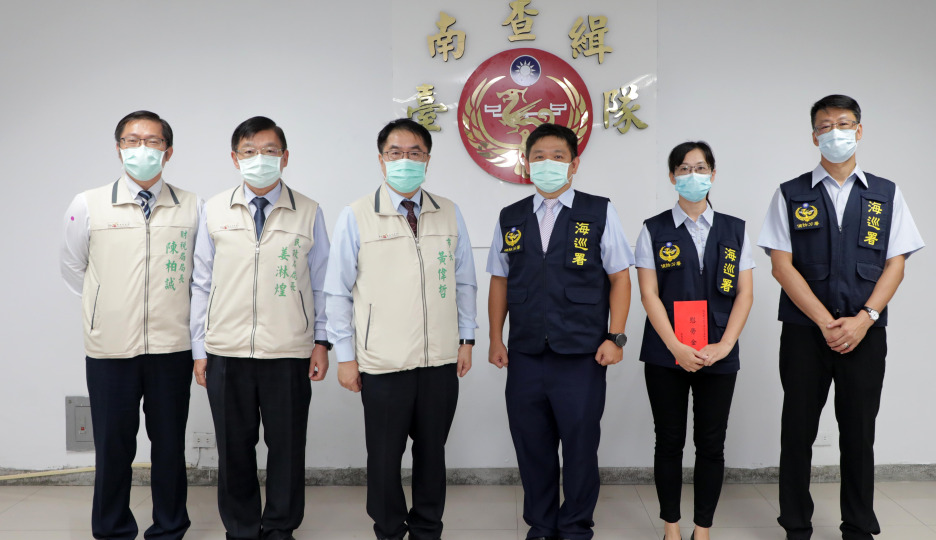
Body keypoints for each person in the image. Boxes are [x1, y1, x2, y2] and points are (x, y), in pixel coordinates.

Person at [758, 95, 924, 540]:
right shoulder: (790, 193)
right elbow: (781, 265)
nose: (835, 132)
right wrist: (823, 321)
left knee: (858, 433)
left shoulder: (886, 193)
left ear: (859, 130)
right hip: (804, 333)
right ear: (814, 136)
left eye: (844, 123)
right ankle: (796, 525)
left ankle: (858, 525)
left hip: (865, 333)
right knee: (797, 432)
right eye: (825, 126)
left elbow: (896, 264)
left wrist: (864, 319)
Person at [324, 118, 477, 540]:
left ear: (427, 160)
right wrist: (345, 357)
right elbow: (337, 291)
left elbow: (464, 280)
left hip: (440, 359)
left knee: (432, 454)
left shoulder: (449, 211)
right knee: (384, 457)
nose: (405, 160)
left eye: (415, 153)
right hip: (383, 362)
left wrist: (467, 339)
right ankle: (389, 529)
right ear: (381, 160)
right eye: (395, 152)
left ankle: (427, 528)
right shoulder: (357, 214)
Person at [487, 123, 633, 540]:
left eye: (557, 156)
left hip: (582, 354)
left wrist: (615, 336)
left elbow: (620, 277)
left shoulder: (598, 211)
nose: (547, 163)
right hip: (526, 352)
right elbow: (500, 280)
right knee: (531, 444)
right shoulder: (511, 217)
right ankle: (542, 524)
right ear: (526, 163)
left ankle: (575, 526)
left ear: (574, 164)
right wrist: (496, 338)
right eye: (538, 157)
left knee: (580, 445)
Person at [190, 116, 331, 540]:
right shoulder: (214, 210)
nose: (260, 159)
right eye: (249, 151)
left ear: (285, 157)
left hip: (288, 350)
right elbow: (201, 282)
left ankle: (281, 527)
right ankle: (242, 528)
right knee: (234, 447)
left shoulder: (309, 211)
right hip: (226, 350)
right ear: (235, 158)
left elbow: (322, 283)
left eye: (269, 151)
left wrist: (321, 342)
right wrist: (199, 348)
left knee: (287, 447)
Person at [60, 110, 199, 540]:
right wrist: (107, 308)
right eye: (132, 140)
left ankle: (169, 528)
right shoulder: (88, 204)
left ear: (168, 152)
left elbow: (202, 276)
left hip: (171, 347)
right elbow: (73, 267)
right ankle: (112, 529)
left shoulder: (193, 207)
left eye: (153, 141)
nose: (142, 148)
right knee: (113, 446)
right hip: (110, 349)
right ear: (118, 148)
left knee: (169, 445)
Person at [636, 141, 754, 540]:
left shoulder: (735, 229)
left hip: (719, 351)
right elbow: (649, 294)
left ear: (713, 175)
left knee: (711, 444)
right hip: (666, 352)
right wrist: (675, 347)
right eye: (684, 169)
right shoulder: (653, 229)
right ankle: (671, 527)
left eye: (700, 168)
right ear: (672, 177)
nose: (693, 175)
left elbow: (745, 294)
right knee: (669, 442)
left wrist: (725, 345)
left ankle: (702, 529)